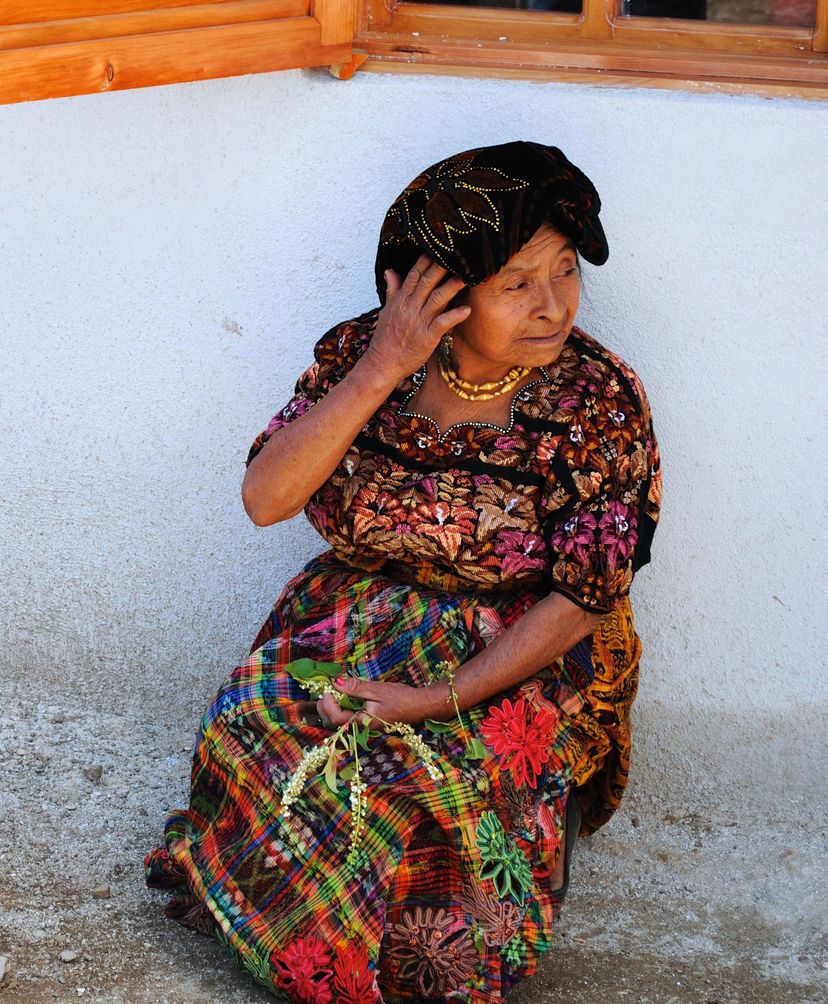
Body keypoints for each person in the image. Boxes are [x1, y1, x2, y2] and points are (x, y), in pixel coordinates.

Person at [145, 142, 661, 1003]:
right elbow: (266, 498)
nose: (554, 304)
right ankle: (305, 934)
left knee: (418, 787)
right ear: (435, 292)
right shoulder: (363, 352)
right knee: (253, 722)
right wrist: (382, 367)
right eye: (518, 282)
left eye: (566, 271)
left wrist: (433, 699)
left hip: (518, 647)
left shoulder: (595, 400)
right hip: (359, 617)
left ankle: (457, 900)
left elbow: (584, 599)